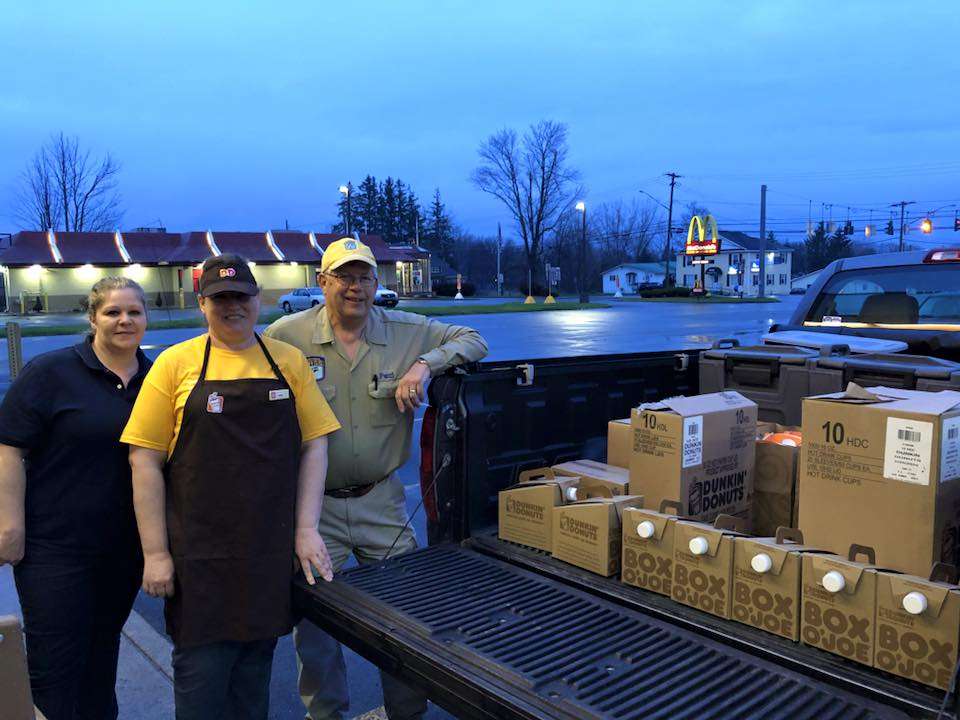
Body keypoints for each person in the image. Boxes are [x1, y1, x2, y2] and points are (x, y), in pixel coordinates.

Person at [264, 237, 488, 720]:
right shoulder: (287, 334)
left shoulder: (408, 331)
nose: (355, 287)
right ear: (322, 282)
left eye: (365, 276)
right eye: (343, 276)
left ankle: (406, 714)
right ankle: (326, 715)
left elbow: (473, 339)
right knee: (317, 626)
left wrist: (425, 365)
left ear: (376, 282)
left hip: (382, 502)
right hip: (313, 509)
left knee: (405, 618)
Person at [120, 254, 341, 720]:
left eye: (241, 296)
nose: (232, 307)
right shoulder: (174, 365)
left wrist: (306, 529)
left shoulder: (288, 361)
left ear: (257, 300)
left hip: (267, 552)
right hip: (199, 559)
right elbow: (144, 462)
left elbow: (315, 446)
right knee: (202, 684)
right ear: (203, 304)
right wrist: (156, 554)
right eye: (220, 299)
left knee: (253, 678)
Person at [0, 277, 150, 720]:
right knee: (55, 668)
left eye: (134, 312)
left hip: (124, 548)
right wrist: (10, 526)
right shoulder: (51, 373)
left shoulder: (157, 376)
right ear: (92, 318)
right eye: (113, 312)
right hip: (56, 549)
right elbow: (9, 447)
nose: (125, 320)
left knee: (102, 658)